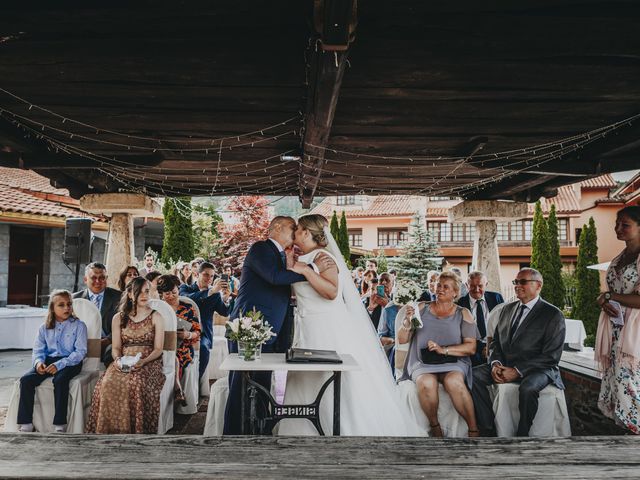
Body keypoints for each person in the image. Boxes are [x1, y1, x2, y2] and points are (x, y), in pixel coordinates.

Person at [276, 214, 423, 436]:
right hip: (306, 326)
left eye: (298, 229)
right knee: (306, 377)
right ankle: (303, 430)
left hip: (326, 327)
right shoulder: (305, 257)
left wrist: (305, 270)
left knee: (331, 378)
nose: (294, 232)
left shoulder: (322, 258)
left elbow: (332, 292)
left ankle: (340, 428)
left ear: (306, 232)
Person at [223, 216, 318, 435]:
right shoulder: (260, 249)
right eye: (291, 227)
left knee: (263, 386)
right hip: (248, 328)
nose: (295, 232)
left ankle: (259, 431)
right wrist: (311, 269)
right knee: (242, 386)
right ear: (276, 227)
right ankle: (233, 436)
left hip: (269, 332)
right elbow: (275, 277)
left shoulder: (280, 255)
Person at [472, 268, 566, 437]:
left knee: (528, 388)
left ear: (538, 286)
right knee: (472, 376)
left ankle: (523, 433)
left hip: (539, 369)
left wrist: (517, 371)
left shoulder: (552, 314)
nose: (517, 286)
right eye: (516, 282)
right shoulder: (507, 310)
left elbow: (551, 357)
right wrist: (495, 364)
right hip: (505, 365)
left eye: (523, 282)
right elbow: (496, 343)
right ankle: (488, 426)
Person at [396, 272, 479, 437]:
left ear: (455, 292)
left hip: (453, 360)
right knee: (426, 383)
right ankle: (435, 427)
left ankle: (473, 429)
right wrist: (407, 320)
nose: (439, 289)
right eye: (438, 285)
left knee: (454, 382)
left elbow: (471, 348)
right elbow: (402, 339)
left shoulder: (463, 313)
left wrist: (444, 350)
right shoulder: (421, 308)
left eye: (445, 287)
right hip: (422, 361)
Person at [86, 277, 165, 434]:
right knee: (107, 383)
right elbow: (116, 347)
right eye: (139, 292)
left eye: (147, 291)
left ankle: (136, 431)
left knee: (136, 382)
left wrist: (143, 361)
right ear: (129, 294)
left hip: (149, 361)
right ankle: (108, 430)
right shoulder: (119, 318)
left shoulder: (156, 316)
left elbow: (158, 349)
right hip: (123, 360)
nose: (144, 295)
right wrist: (117, 360)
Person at [17, 290, 87, 433]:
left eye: (69, 304)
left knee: (60, 380)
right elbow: (38, 350)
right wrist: (38, 363)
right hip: (48, 360)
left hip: (70, 361)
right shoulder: (44, 328)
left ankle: (60, 424)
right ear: (52, 309)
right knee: (25, 380)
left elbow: (80, 352)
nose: (67, 308)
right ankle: (26, 423)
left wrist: (59, 364)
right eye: (61, 305)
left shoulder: (79, 326)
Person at [596, 206, 640, 434]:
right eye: (617, 224)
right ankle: (626, 433)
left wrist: (610, 296)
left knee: (631, 382)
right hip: (616, 327)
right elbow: (610, 292)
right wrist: (604, 300)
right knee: (615, 381)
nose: (618, 228)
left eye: (625, 224)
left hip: (635, 331)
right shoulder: (620, 257)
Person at [180, 262, 231, 380]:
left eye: (212, 276)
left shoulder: (215, 295)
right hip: (184, 331)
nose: (209, 279)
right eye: (206, 275)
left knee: (203, 348)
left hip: (204, 334)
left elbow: (225, 312)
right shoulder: (185, 288)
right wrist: (210, 291)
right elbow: (186, 299)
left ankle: (195, 382)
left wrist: (226, 298)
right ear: (197, 274)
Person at [157, 274, 201, 405]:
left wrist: (187, 335)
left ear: (178, 290)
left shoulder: (187, 308)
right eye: (167, 293)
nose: (170, 296)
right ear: (161, 294)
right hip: (161, 345)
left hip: (183, 347)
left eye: (174, 292)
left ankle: (176, 390)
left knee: (175, 356)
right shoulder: (158, 310)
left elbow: (197, 332)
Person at [73, 262, 121, 367]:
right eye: (93, 278)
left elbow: (124, 323)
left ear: (106, 278)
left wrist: (107, 340)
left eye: (102, 278)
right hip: (81, 344)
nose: (98, 281)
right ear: (85, 279)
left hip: (108, 343)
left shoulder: (119, 297)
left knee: (111, 354)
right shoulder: (74, 299)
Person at [457, 271, 505, 366]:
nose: (477, 289)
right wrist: (481, 348)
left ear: (486, 284)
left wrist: (490, 346)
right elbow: (460, 333)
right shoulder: (460, 304)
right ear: (467, 285)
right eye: (472, 286)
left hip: (495, 344)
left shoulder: (496, 298)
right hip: (472, 348)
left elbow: (504, 324)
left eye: (480, 286)